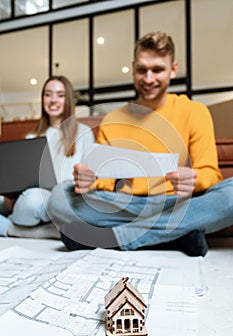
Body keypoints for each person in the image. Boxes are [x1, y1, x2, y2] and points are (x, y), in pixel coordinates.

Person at [47, 32, 233, 256]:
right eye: (142, 69)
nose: (148, 78)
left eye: (157, 70)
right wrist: (91, 180)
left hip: (177, 203)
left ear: (173, 70)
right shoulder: (112, 119)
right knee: (58, 198)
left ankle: (120, 238)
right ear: (133, 68)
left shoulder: (195, 112)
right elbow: (106, 180)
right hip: (125, 206)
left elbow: (211, 174)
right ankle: (173, 236)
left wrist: (194, 179)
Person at [0, 75, 94, 237]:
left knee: (34, 201)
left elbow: (90, 177)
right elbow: (25, 179)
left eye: (60, 95)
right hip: (32, 196)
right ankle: (41, 230)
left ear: (68, 100)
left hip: (64, 198)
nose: (53, 100)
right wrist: (11, 196)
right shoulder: (32, 137)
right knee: (29, 198)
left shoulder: (84, 133)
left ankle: (13, 229)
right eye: (48, 94)